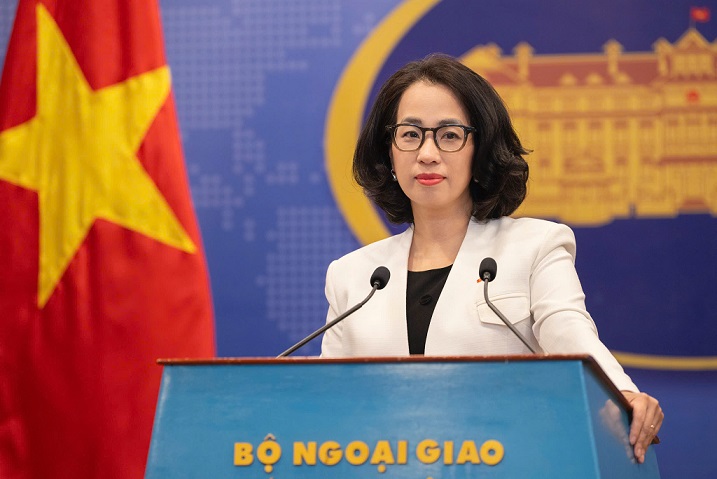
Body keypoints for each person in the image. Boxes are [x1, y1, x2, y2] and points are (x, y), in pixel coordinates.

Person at [320, 54, 663, 463]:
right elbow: (328, 403)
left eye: (449, 135)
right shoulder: (352, 276)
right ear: (388, 151)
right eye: (410, 134)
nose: (427, 153)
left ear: (480, 150)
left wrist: (620, 392)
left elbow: (568, 329)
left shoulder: (534, 246)